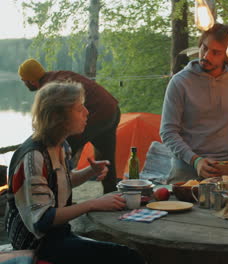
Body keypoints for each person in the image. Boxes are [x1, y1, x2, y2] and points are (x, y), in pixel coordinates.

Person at [5, 82, 145, 264]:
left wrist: (89, 172)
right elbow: (42, 220)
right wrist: (93, 204)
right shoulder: (33, 158)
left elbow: (60, 182)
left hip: (57, 235)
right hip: (36, 244)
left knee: (124, 253)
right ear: (57, 116)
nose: (87, 112)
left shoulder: (61, 145)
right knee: (128, 257)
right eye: (79, 109)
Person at [160, 23, 228, 184]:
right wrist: (196, 161)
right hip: (186, 172)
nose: (207, 56)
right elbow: (168, 132)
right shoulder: (180, 82)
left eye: (216, 52)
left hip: (227, 171)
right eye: (204, 48)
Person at [18, 59, 120, 193]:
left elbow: (54, 121)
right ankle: (111, 194)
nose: (24, 83)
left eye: (23, 80)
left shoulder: (49, 88)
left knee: (61, 151)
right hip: (112, 109)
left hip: (97, 114)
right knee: (106, 157)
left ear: (30, 80)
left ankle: (59, 196)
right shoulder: (58, 75)